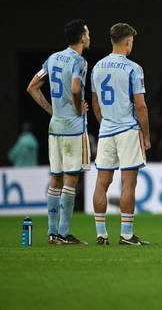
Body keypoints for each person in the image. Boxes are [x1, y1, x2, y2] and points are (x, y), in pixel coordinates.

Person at [26, 19, 91, 245]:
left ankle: (52, 233)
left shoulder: (52, 59)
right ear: (82, 37)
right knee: (70, 179)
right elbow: (75, 88)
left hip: (55, 127)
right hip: (73, 128)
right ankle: (63, 234)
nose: (89, 37)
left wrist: (52, 111)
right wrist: (75, 107)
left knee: (55, 178)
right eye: (88, 34)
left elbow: (32, 86)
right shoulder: (79, 61)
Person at [91, 23, 150, 246]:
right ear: (127, 41)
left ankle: (101, 234)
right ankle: (126, 235)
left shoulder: (97, 67)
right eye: (132, 41)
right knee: (128, 184)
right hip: (127, 130)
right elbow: (141, 107)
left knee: (102, 183)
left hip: (106, 131)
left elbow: (95, 103)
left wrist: (105, 123)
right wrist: (146, 136)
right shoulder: (133, 68)